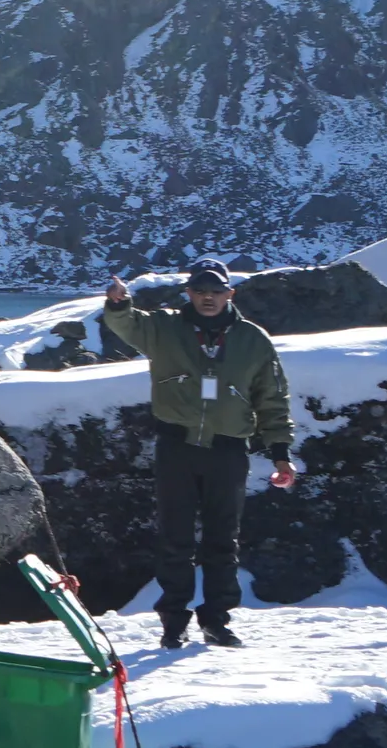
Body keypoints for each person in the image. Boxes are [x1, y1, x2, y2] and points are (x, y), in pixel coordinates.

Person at [98, 261, 300, 648]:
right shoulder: (164, 328)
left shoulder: (253, 340)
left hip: (228, 451)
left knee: (223, 539)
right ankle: (174, 621)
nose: (209, 297)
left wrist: (280, 452)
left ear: (230, 294)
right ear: (188, 293)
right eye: (200, 290)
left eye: (217, 290)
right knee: (175, 538)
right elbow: (127, 325)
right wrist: (119, 304)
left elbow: (272, 399)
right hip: (177, 447)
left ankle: (217, 620)